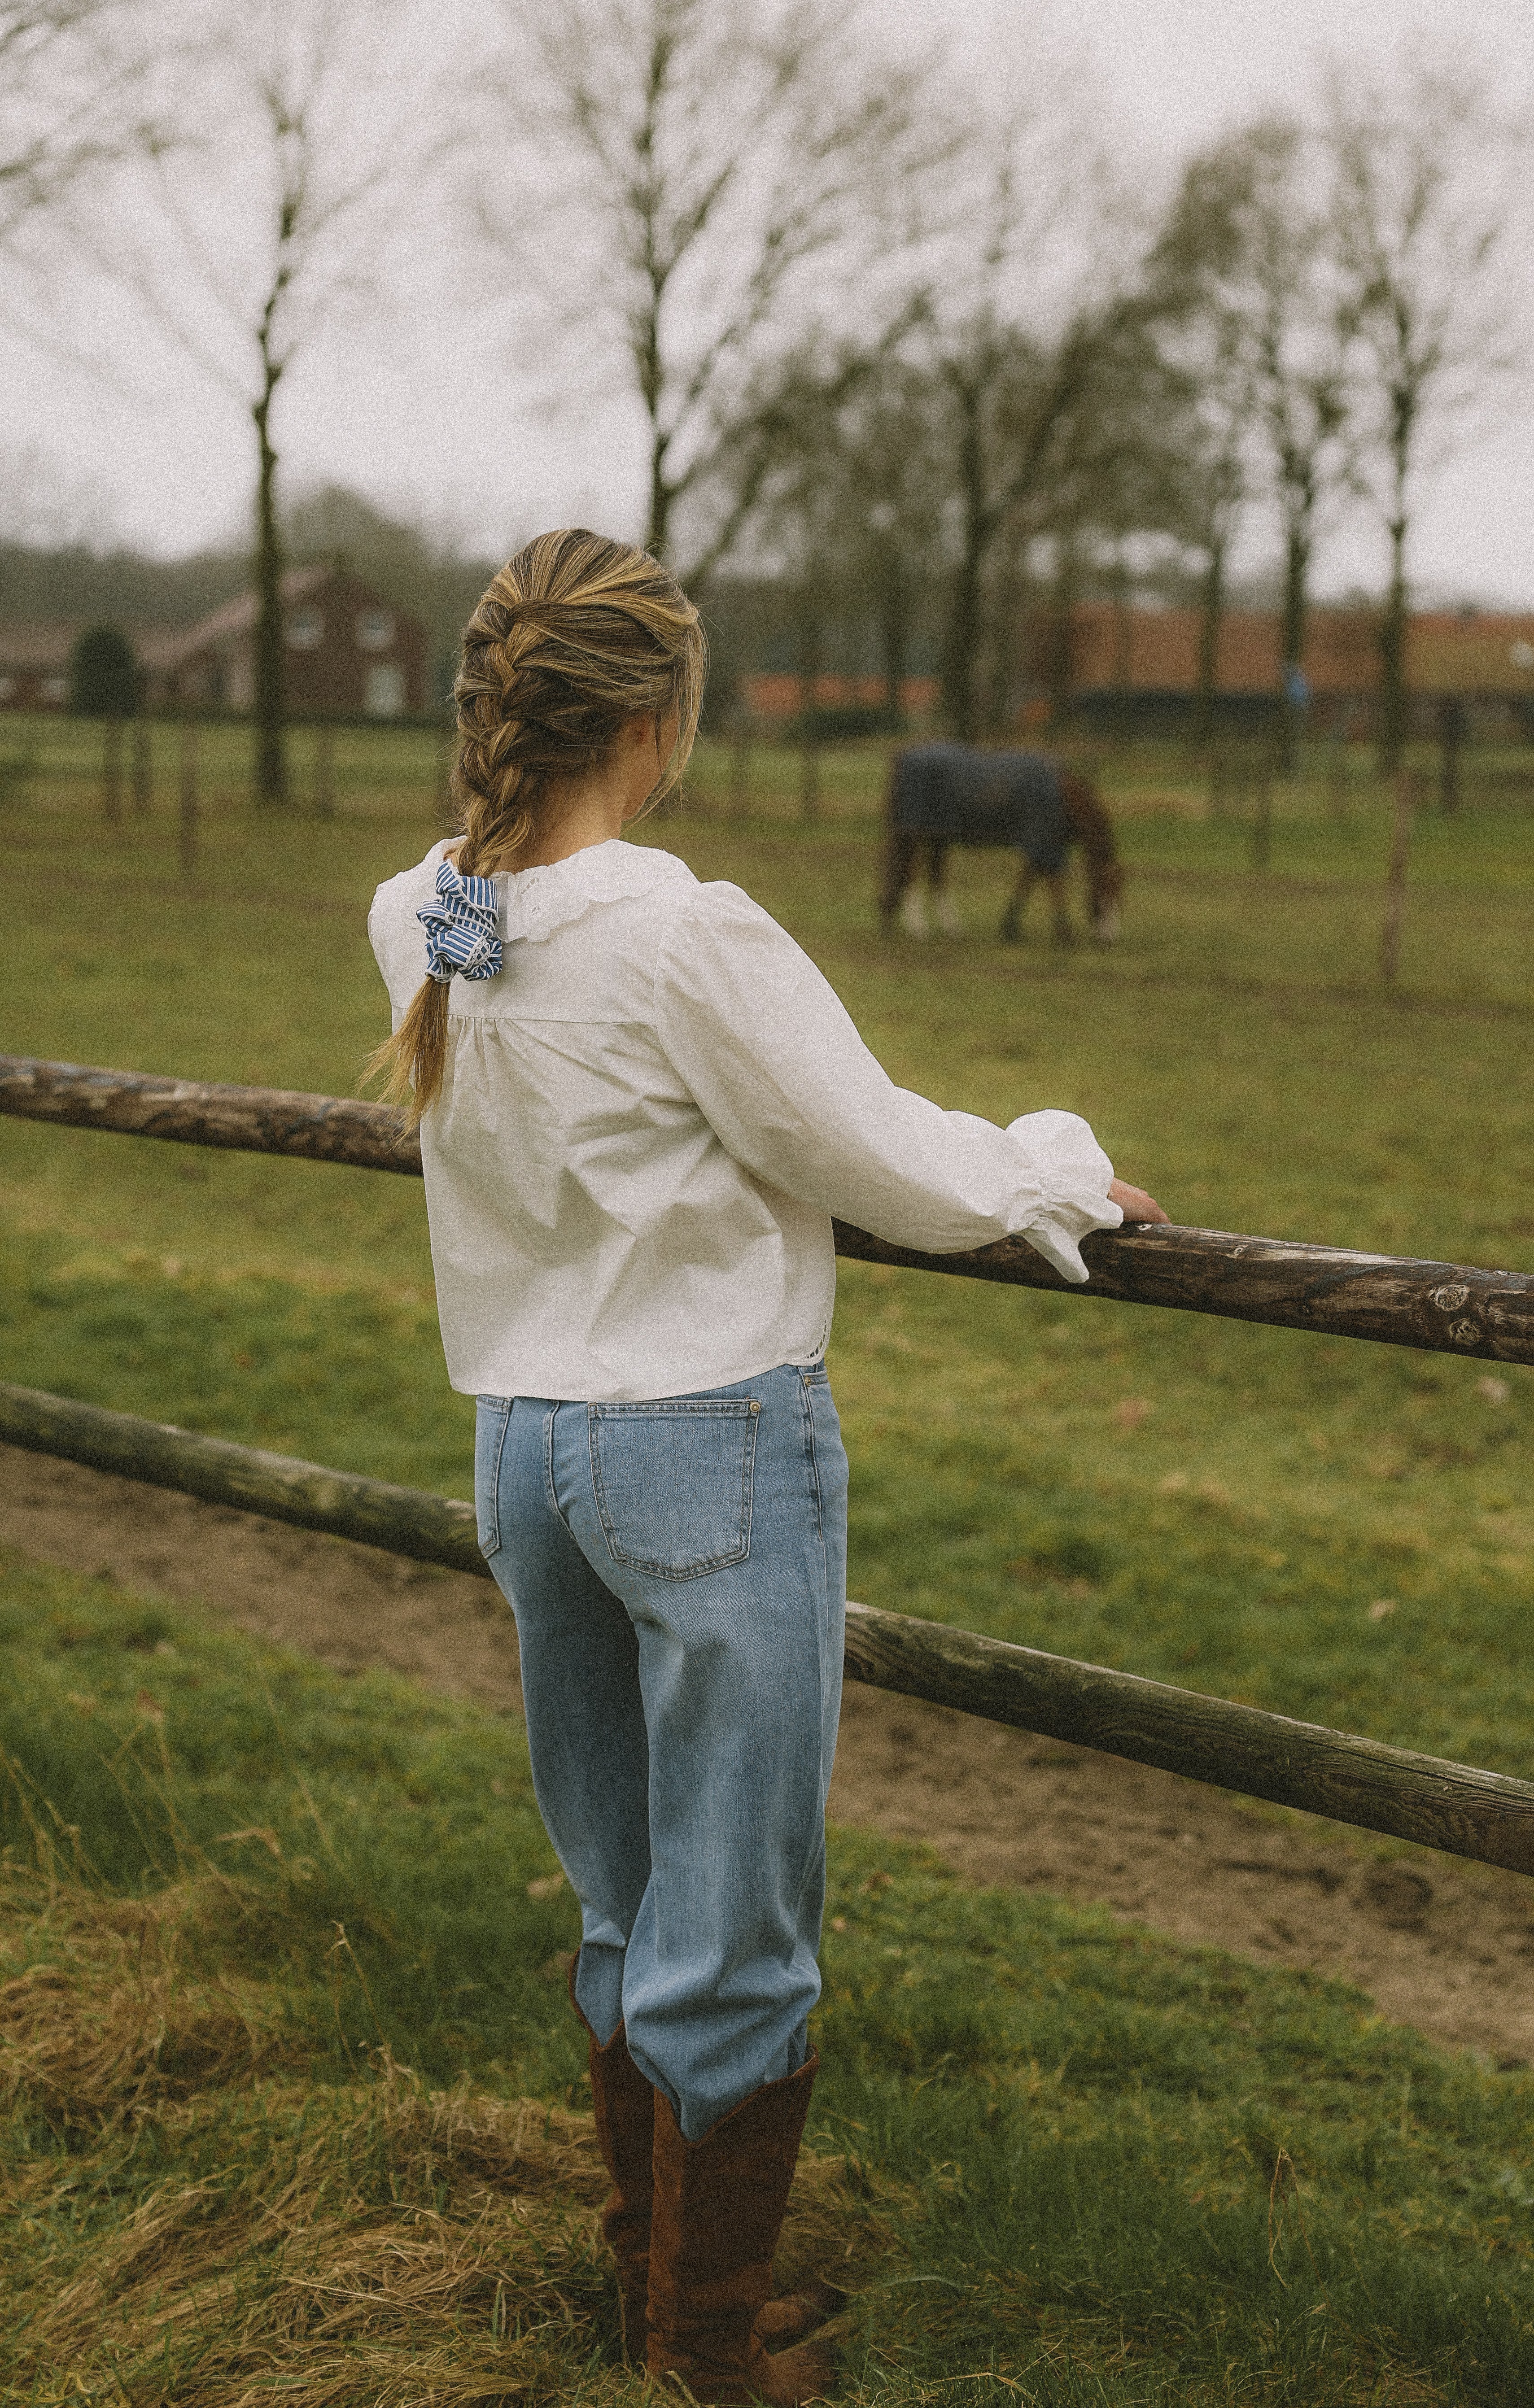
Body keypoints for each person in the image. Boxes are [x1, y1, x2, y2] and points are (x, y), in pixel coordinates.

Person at [367, 528, 1167, 2405]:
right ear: (656, 721)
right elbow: (873, 1153)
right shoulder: (676, 929)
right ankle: (707, 2348)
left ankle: (656, 2279)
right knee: (737, 1916)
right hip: (706, 1449)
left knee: (623, 1887)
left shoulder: (420, 914)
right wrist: (1054, 1159)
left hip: (524, 1450)